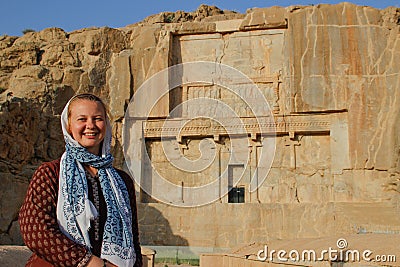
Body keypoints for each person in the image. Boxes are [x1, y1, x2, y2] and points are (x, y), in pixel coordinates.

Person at [19, 93, 143, 267]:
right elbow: (35, 229)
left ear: (106, 125)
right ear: (69, 126)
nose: (90, 125)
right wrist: (91, 262)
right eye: (82, 119)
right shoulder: (50, 174)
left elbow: (133, 240)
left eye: (97, 118)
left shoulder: (122, 181)